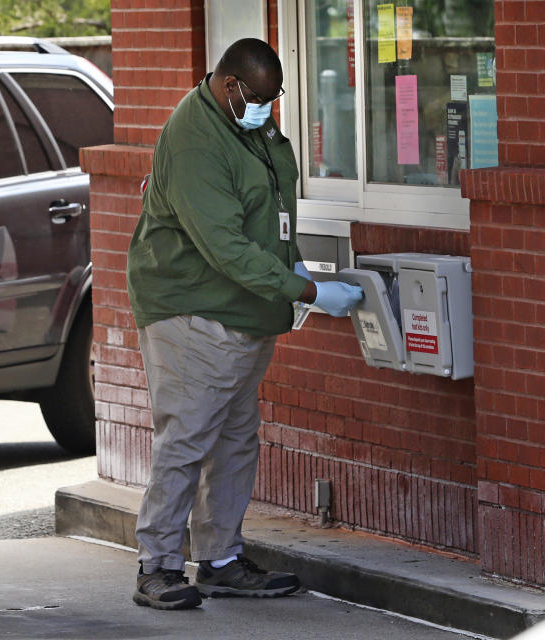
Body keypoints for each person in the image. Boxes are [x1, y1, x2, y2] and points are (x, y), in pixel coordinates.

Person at [127, 38, 363, 610]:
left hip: (245, 311)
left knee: (234, 441)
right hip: (193, 309)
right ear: (231, 86)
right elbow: (226, 248)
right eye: (258, 97)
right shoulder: (195, 142)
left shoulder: (248, 124)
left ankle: (221, 559)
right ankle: (156, 566)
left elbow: (272, 206)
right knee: (187, 438)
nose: (267, 108)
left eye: (273, 98)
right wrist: (308, 289)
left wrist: (295, 260)